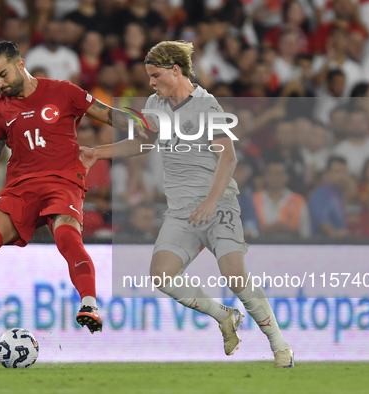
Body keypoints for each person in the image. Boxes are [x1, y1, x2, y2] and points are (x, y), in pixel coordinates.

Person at [79, 41, 294, 368]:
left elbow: (229, 157)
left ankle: (280, 346)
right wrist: (98, 153)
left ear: (175, 71)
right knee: (162, 274)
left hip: (218, 203)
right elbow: (142, 143)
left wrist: (210, 201)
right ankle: (224, 316)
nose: (150, 83)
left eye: (155, 75)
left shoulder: (207, 106)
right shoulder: (155, 104)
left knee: (235, 276)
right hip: (181, 211)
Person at [0, 41, 149, 361]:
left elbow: (110, 116)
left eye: (2, 75)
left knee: (65, 235)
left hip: (63, 183)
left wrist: (145, 123)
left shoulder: (64, 92)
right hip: (20, 188)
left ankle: (89, 304)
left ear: (20, 64)